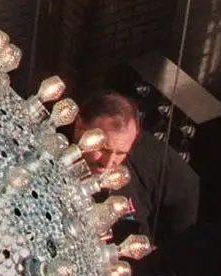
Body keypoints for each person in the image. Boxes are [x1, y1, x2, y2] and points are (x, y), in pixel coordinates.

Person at [72, 91, 200, 245]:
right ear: (79, 126)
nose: (109, 162)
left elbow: (186, 186)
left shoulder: (148, 155)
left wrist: (167, 252)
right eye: (102, 149)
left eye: (120, 153)